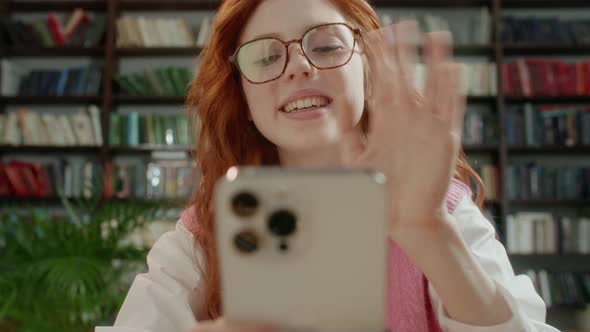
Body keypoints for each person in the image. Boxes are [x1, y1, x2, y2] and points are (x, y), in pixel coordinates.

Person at [96, 0, 562, 331]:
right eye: (265, 55)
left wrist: (429, 232)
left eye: (325, 45)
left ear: (368, 65)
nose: (298, 67)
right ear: (243, 94)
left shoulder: (441, 208)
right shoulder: (206, 231)